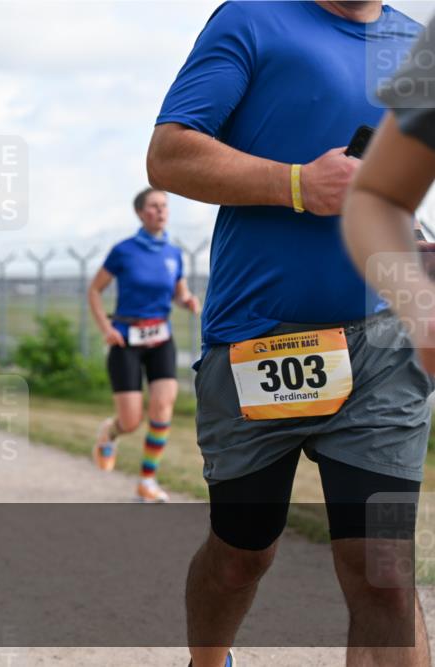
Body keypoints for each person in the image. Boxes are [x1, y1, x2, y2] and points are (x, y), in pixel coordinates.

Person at [147, 2, 427, 666]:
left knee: (385, 572)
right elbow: (169, 155)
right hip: (261, 342)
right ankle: (208, 660)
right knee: (242, 553)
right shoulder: (251, 19)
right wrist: (297, 182)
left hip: (384, 349)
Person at [88, 188, 200, 503]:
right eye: (154, 206)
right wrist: (106, 328)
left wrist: (187, 300)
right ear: (140, 212)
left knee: (163, 407)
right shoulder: (123, 251)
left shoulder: (173, 253)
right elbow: (94, 291)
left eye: (164, 206)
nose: (161, 211)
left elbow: (179, 292)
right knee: (131, 421)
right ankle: (110, 432)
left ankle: (147, 481)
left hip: (161, 338)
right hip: (126, 339)